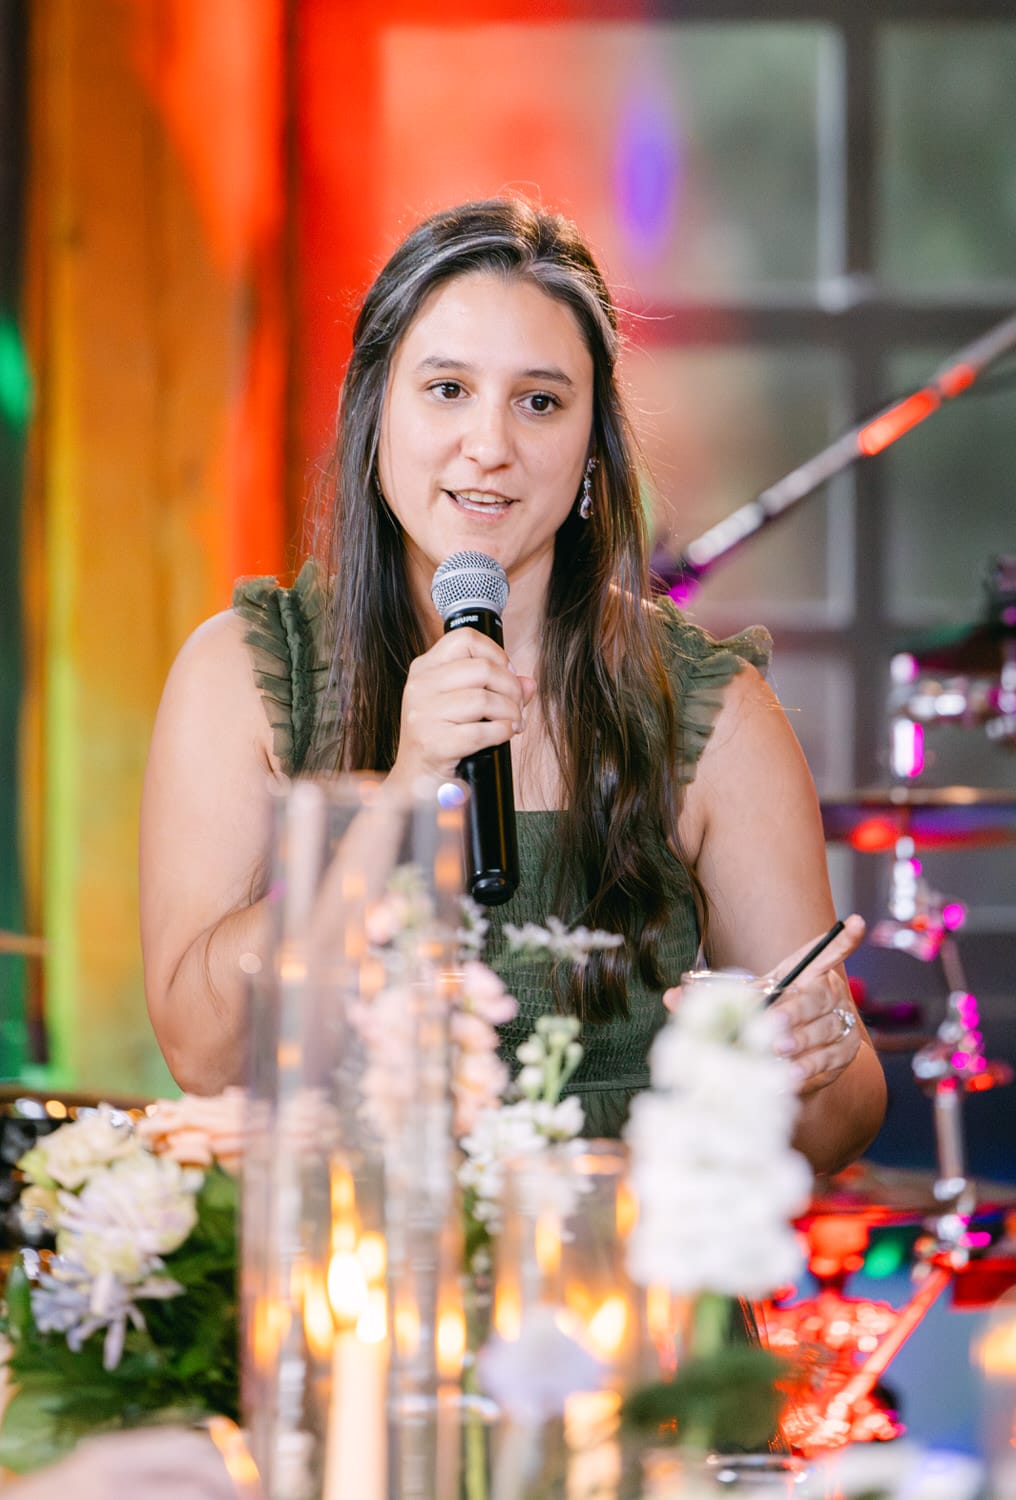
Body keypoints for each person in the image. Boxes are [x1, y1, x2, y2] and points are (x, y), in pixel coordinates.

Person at [140, 198, 885, 1174]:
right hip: (350, 1282)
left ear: (587, 451)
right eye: (446, 390)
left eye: (538, 402)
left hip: (609, 1290)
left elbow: (841, 1126)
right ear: (375, 415)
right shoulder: (244, 673)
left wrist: (800, 1059)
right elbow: (204, 1054)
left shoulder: (710, 710)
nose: (488, 444)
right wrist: (400, 796)